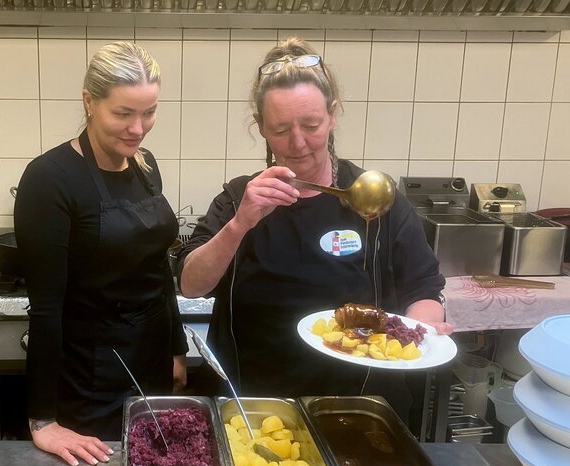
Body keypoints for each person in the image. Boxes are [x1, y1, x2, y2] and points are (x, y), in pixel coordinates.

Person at [177, 38, 452, 421]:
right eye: (281, 129)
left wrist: (419, 334)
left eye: (311, 124)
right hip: (255, 407)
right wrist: (241, 222)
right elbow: (191, 284)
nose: (298, 142)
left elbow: (423, 288)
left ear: (333, 114)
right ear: (260, 127)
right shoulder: (239, 197)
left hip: (360, 404)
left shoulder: (372, 198)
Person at [14, 42, 187, 466]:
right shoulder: (49, 179)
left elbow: (157, 269)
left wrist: (176, 349)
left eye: (149, 112)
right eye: (123, 113)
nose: (138, 128)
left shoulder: (145, 164)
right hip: (90, 378)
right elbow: (46, 308)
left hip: (151, 364)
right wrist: (42, 421)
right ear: (89, 102)